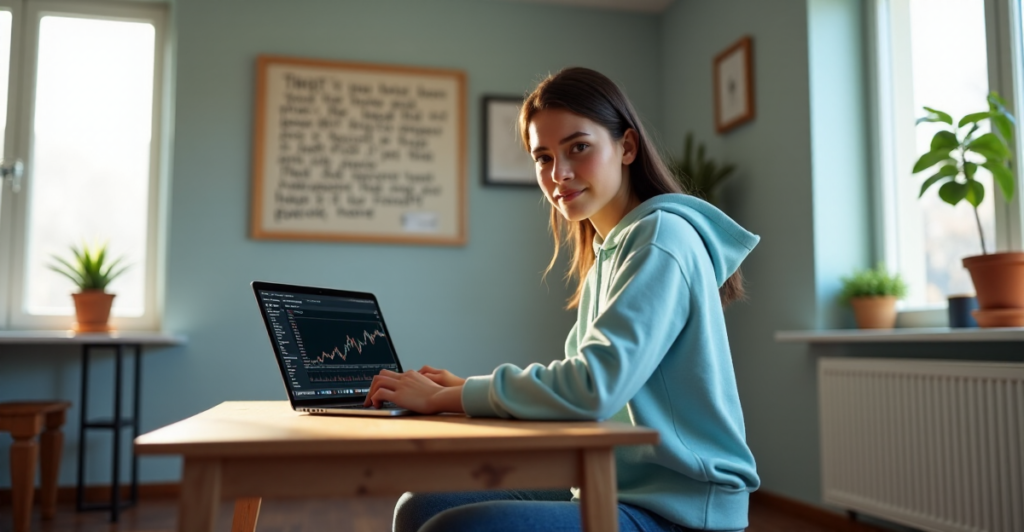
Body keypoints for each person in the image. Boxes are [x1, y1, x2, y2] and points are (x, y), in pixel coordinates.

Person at [364, 67, 760, 532]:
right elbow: (577, 392)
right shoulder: (612, 248)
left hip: (678, 509)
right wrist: (462, 387)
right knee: (420, 506)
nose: (559, 175)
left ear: (627, 147)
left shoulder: (659, 238)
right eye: (543, 157)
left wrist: (451, 397)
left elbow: (592, 389)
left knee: (452, 528)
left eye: (579, 147)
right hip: (618, 486)